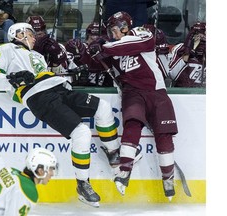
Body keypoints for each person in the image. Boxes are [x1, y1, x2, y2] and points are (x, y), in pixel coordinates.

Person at [0, 22, 123, 207]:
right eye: (30, 33)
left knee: (103, 107)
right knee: (81, 133)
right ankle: (83, 184)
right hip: (38, 97)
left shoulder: (38, 56)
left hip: (60, 89)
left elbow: (45, 75)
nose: (34, 37)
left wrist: (70, 75)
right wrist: (12, 79)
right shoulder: (7, 49)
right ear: (18, 33)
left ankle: (113, 153)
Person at [90, 11, 178, 200]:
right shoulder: (112, 47)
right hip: (132, 93)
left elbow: (142, 45)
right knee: (132, 124)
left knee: (164, 135)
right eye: (110, 31)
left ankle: (168, 178)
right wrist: (91, 50)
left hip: (156, 92)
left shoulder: (141, 33)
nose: (112, 35)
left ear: (124, 26)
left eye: (114, 30)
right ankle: (124, 171)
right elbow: (91, 63)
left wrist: (106, 47)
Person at [65, 22, 114, 87]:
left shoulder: (107, 49)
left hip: (105, 87)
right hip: (82, 87)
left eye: (98, 35)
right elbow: (71, 66)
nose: (95, 37)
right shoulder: (79, 47)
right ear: (89, 34)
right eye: (93, 34)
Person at [169, 22, 206, 87]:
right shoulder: (180, 48)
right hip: (182, 94)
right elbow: (173, 75)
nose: (200, 39)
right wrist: (187, 51)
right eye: (196, 35)